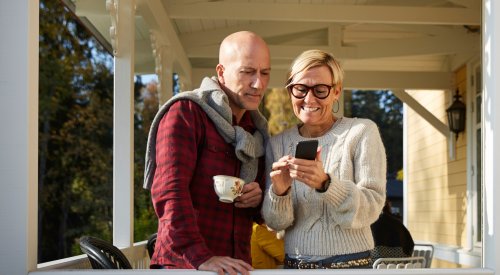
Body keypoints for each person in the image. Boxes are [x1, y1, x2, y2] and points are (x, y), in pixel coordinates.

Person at [143, 31, 271, 275]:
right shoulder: (186, 112)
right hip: (184, 266)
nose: (259, 84)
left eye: (265, 73)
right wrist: (201, 257)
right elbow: (170, 192)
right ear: (221, 72)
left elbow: (261, 213)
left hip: (237, 267)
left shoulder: (255, 130)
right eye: (248, 72)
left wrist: (257, 198)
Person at [262, 49, 387, 269]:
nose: (309, 99)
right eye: (300, 89)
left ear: (336, 92)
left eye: (320, 90)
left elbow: (373, 206)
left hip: (352, 266)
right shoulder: (277, 144)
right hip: (295, 266)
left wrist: (326, 184)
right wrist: (280, 192)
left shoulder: (361, 132)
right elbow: (275, 223)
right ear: (290, 91)